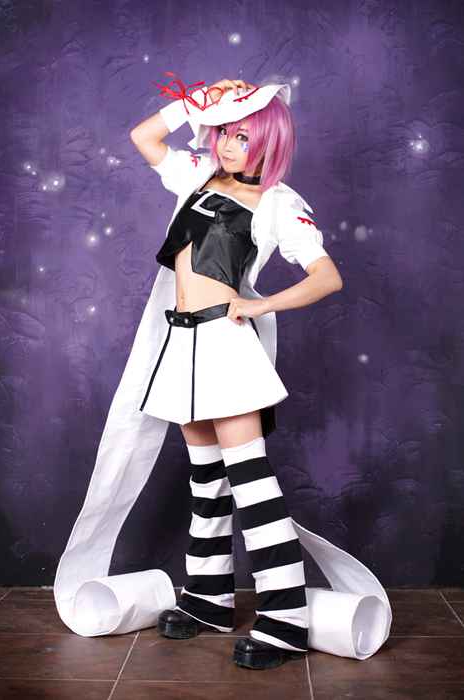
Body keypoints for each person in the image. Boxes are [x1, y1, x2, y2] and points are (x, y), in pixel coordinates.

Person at [129, 76, 344, 670]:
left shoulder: (278, 202)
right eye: (225, 132)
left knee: (251, 483)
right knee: (207, 483)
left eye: (243, 136)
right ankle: (209, 600)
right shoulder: (197, 174)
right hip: (182, 344)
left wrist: (259, 304)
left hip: (226, 347)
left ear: (270, 142)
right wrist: (194, 102)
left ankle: (285, 619)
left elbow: (327, 277)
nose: (228, 144)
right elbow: (144, 136)